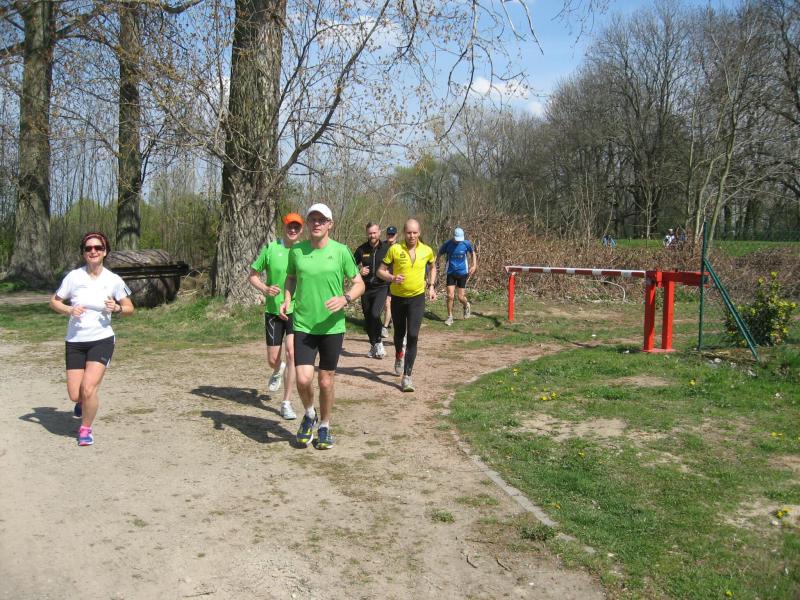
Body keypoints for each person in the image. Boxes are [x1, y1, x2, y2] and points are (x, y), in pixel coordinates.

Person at [280, 203, 365, 449]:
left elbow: (359, 283)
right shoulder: (297, 251)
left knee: (326, 381)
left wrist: (345, 298)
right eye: (313, 219)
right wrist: (287, 299)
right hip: (304, 324)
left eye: (321, 220)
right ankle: (309, 414)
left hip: (332, 327)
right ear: (308, 223)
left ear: (330, 224)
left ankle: (325, 426)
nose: (316, 223)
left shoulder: (341, 251)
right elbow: (291, 278)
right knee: (303, 379)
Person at [49, 232, 134, 446]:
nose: (93, 251)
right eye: (88, 248)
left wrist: (117, 308)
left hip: (101, 339)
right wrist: (69, 309)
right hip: (75, 340)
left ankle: (85, 429)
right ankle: (81, 403)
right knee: (75, 394)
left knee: (89, 388)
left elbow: (130, 308)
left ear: (105, 252)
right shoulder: (73, 277)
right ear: (83, 253)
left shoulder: (113, 280)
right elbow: (54, 302)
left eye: (98, 248)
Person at [248, 213, 304, 420]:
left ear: (301, 229)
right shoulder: (271, 248)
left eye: (297, 227)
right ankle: (277, 368)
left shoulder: (304, 250)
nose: (293, 230)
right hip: (273, 310)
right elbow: (253, 275)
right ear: (284, 227)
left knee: (292, 354)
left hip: (295, 310)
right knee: (273, 359)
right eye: (290, 226)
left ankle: (286, 403)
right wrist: (265, 288)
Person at [378, 218, 437, 392]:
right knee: (399, 334)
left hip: (417, 299)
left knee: (413, 335)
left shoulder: (427, 250)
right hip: (398, 299)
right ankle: (398, 354)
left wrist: (431, 286)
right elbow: (380, 271)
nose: (412, 236)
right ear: (404, 233)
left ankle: (407, 377)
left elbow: (433, 267)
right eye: (409, 232)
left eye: (415, 232)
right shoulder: (395, 249)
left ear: (419, 233)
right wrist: (392, 278)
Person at [353, 222, 391, 359]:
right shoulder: (361, 249)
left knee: (375, 314)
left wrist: (391, 277)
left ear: (379, 233)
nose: (372, 235)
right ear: (367, 234)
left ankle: (379, 343)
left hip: (381, 287)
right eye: (370, 233)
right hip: (365, 287)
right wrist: (359, 270)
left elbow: (395, 265)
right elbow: (350, 265)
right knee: (368, 318)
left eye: (374, 233)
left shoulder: (387, 249)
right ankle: (373, 345)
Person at [437, 227, 476, 326]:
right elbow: (439, 253)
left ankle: (466, 305)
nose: (458, 241)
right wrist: (435, 264)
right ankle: (450, 317)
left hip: (463, 272)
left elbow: (472, 252)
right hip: (451, 272)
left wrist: (474, 265)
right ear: (453, 237)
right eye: (457, 239)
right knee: (450, 296)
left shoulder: (466, 243)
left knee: (460, 297)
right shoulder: (447, 244)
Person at [381, 225, 398, 339]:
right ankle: (388, 320)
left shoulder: (400, 247)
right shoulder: (381, 246)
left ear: (396, 235)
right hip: (382, 278)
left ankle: (385, 327)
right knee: (384, 304)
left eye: (392, 234)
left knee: (388, 304)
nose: (390, 236)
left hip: (394, 279)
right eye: (389, 234)